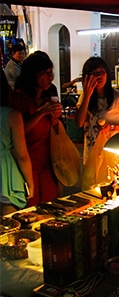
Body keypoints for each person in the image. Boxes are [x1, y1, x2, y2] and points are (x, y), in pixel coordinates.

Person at [75, 57, 119, 190]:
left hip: (114, 155)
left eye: (102, 72)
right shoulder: (85, 99)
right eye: (94, 73)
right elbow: (79, 122)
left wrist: (112, 126)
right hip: (91, 155)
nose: (99, 76)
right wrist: (87, 94)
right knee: (92, 191)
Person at [12, 53, 62, 207]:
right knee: (31, 209)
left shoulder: (49, 97)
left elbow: (55, 130)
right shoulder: (20, 99)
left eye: (50, 73)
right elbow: (18, 132)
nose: (50, 77)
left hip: (49, 163)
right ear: (32, 74)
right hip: (28, 164)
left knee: (50, 207)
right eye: (45, 73)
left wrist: (55, 118)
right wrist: (41, 113)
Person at [0, 70, 34, 215]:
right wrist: (30, 183)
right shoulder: (11, 115)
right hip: (6, 173)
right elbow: (22, 155)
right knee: (8, 227)